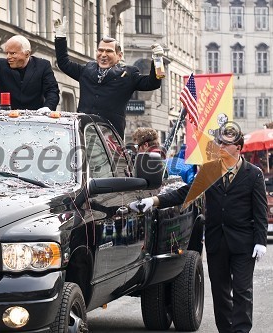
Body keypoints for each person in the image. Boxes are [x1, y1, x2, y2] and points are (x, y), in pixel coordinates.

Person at [129, 127, 268, 333]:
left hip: (243, 243)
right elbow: (186, 193)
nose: (220, 146)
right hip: (216, 242)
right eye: (219, 143)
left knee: (242, 291)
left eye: (225, 144)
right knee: (220, 293)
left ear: (237, 148)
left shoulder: (253, 174)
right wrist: (154, 200)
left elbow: (260, 211)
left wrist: (260, 241)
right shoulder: (210, 170)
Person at [54, 17, 163, 138]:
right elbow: (63, 63)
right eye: (100, 50)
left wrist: (157, 60)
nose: (103, 55)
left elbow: (153, 83)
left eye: (109, 51)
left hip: (110, 137)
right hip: (84, 133)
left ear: (119, 56)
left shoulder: (128, 74)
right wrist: (60, 38)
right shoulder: (86, 70)